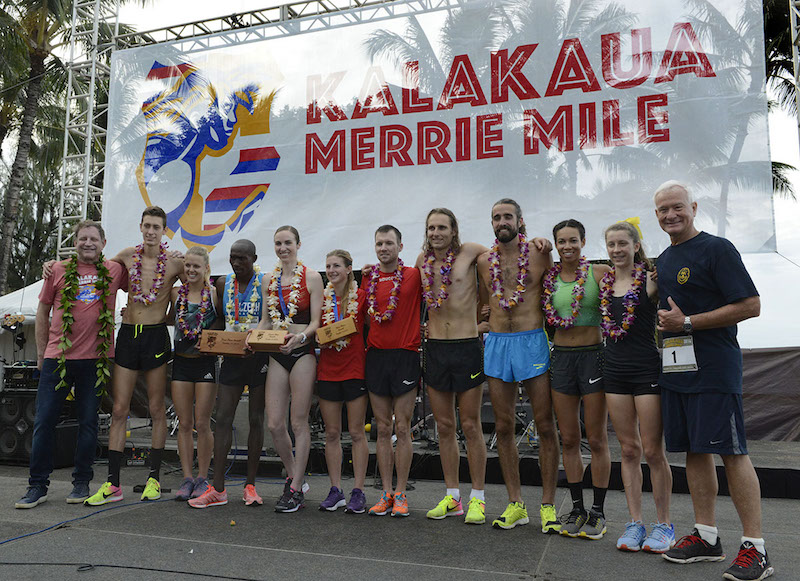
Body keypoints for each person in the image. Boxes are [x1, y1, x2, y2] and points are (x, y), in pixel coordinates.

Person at [653, 181, 772, 581]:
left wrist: (686, 322)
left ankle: (756, 548)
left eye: (677, 207)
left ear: (694, 207)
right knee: (694, 451)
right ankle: (706, 536)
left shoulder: (717, 248)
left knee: (732, 452)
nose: (670, 215)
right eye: (663, 210)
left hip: (715, 368)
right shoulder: (665, 259)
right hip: (677, 368)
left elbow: (750, 305)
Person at [16, 221, 126, 508]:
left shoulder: (114, 270)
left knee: (89, 424)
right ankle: (37, 486)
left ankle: (81, 483)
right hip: (57, 358)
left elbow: (145, 276)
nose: (88, 243)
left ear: (104, 243)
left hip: (95, 361)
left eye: (93, 239)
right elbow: (42, 312)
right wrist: (41, 355)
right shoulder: (57, 270)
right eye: (82, 239)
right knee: (43, 422)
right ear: (75, 242)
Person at [85, 206, 184, 505]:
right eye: (147, 226)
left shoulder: (175, 263)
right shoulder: (128, 255)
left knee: (156, 409)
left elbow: (200, 278)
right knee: (119, 409)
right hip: (128, 334)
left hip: (155, 337)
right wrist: (55, 266)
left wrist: (171, 316)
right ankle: (112, 484)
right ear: (140, 227)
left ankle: (153, 478)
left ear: (164, 231)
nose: (151, 231)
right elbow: (95, 268)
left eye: (157, 227)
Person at [476, 199, 561, 533]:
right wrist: (481, 321)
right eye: (496, 217)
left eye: (507, 216)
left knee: (544, 424)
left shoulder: (540, 252)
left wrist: (546, 242)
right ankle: (515, 504)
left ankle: (548, 505)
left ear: (520, 221)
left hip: (531, 340)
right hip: (497, 343)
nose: (501, 222)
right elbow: (484, 301)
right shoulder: (484, 261)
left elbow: (554, 290)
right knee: (502, 425)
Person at [600, 221, 674, 552]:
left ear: (635, 246)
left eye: (622, 244)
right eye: (611, 245)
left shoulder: (651, 280)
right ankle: (634, 523)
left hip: (647, 370)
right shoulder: (605, 283)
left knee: (653, 450)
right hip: (614, 372)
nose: (616, 250)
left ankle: (664, 525)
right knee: (628, 449)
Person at [542, 219, 612, 540]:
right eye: (561, 242)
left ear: (584, 241)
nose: (567, 246)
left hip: (593, 357)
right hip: (562, 359)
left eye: (573, 240)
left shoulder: (599, 273)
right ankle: (577, 508)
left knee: (596, 438)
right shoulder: (549, 279)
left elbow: (631, 291)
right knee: (569, 439)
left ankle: (597, 512)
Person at [190, 239, 270, 509]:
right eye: (233, 258)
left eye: (242, 259)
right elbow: (222, 319)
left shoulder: (266, 282)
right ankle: (219, 489)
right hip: (233, 358)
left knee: (256, 419)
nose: (236, 263)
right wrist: (207, 338)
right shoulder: (223, 284)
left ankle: (250, 486)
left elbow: (269, 318)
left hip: (259, 357)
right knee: (222, 418)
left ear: (254, 258)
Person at [250, 226, 323, 513]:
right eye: (278, 243)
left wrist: (301, 338)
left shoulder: (313, 277)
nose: (283, 248)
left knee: (298, 422)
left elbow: (316, 322)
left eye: (288, 243)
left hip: (302, 351)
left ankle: (293, 489)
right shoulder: (269, 279)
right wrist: (253, 336)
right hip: (277, 353)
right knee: (274, 424)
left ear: (298, 244)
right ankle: (296, 476)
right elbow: (266, 321)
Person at [364, 225, 422, 518]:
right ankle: (385, 493)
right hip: (376, 357)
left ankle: (401, 492)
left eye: (389, 243)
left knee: (403, 427)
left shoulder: (414, 275)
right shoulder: (367, 280)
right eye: (379, 244)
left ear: (400, 246)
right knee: (383, 428)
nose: (383, 248)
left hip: (405, 356)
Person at [316, 250, 369, 513]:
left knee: (357, 432)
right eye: (328, 266)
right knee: (332, 433)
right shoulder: (321, 298)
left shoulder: (361, 296)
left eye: (337, 265)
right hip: (327, 370)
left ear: (349, 268)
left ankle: (358, 491)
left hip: (355, 369)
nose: (331, 270)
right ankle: (335, 490)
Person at [168, 247, 220, 501]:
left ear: (206, 269)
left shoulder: (214, 294)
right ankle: (187, 478)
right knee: (184, 423)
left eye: (196, 266)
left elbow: (221, 323)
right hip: (180, 363)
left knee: (202, 422)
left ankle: (202, 477)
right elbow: (168, 319)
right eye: (187, 265)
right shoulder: (176, 293)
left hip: (205, 364)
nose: (191, 270)